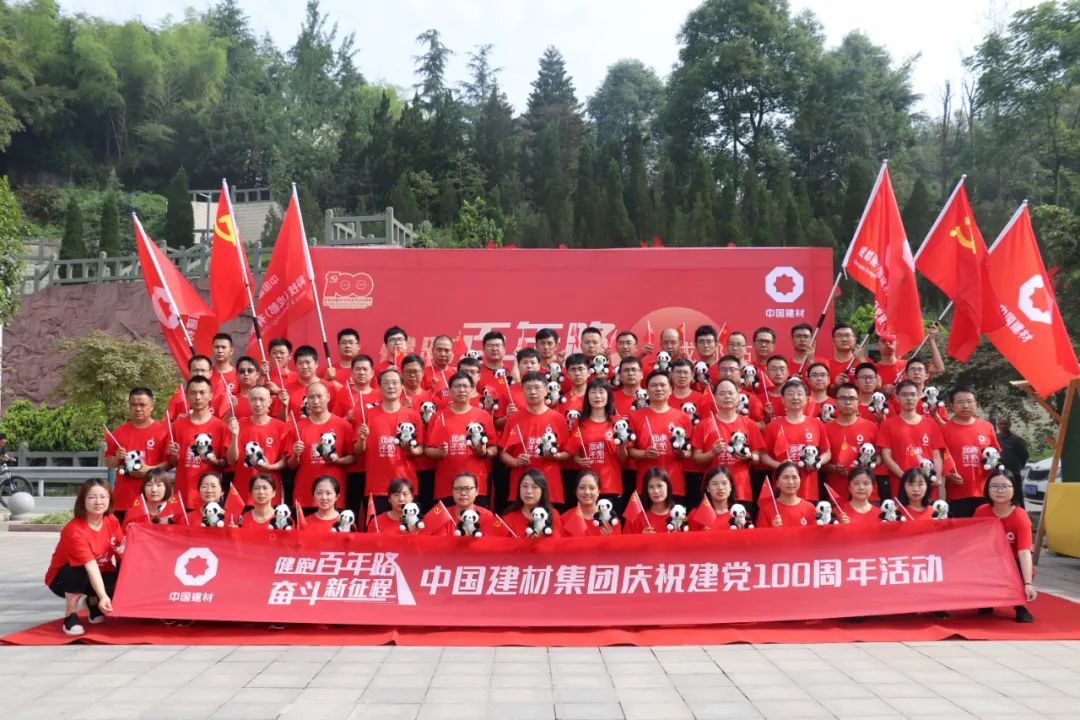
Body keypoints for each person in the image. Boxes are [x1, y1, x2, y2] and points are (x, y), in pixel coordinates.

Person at [45, 479, 123, 636]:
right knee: (80, 569)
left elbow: (120, 550)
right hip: (63, 579)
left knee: (121, 579)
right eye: (92, 497)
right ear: (82, 501)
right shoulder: (74, 530)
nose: (98, 502)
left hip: (99, 572)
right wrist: (103, 596)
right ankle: (70, 615)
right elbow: (90, 566)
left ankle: (92, 602)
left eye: (103, 497)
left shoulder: (111, 520)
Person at [499, 371, 571, 507]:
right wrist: (515, 462)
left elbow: (567, 452)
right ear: (523, 391)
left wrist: (555, 456)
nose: (532, 392)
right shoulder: (514, 419)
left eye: (537, 388)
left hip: (550, 484)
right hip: (521, 485)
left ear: (546, 390)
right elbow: (503, 453)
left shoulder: (558, 418)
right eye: (528, 388)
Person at [424, 372, 497, 505]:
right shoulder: (438, 417)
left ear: (472, 389)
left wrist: (484, 452)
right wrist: (439, 452)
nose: (462, 390)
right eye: (457, 386)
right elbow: (428, 449)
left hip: (475, 485)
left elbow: (494, 448)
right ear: (450, 391)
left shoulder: (483, 416)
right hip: (446, 485)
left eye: (465, 386)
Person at [974, 469, 1037, 622]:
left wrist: (1028, 583)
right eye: (995, 486)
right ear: (987, 489)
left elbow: (1024, 552)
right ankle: (986, 600)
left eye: (1005, 486)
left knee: (1018, 570)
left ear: (1014, 489)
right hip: (988, 562)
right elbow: (973, 544)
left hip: (1013, 564)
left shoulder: (1020, 516)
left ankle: (1020, 605)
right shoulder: (981, 512)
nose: (1000, 491)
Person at [692, 378, 764, 506]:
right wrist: (712, 453)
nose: (727, 396)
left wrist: (749, 456)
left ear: (738, 397)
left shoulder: (750, 424)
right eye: (722, 393)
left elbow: (757, 458)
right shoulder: (703, 425)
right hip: (713, 491)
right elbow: (696, 459)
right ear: (715, 398)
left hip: (741, 490)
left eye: (731, 393)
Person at [358, 368, 425, 503]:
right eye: (386, 383)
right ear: (379, 387)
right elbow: (358, 450)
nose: (391, 386)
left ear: (401, 386)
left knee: (407, 517)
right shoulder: (367, 415)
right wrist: (362, 440)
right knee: (376, 518)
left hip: (406, 487)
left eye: (395, 382)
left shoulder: (413, 415)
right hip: (377, 487)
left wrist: (411, 450)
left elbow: (421, 448)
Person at [761, 379, 832, 501]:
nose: (795, 397)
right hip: (782, 490)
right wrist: (780, 466)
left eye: (799, 394)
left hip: (809, 490)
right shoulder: (773, 426)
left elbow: (827, 452)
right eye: (790, 394)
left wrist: (817, 462)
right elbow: (763, 456)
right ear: (782, 399)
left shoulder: (816, 424)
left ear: (806, 399)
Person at [287, 382, 355, 509]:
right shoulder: (298, 428)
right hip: (305, 496)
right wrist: (295, 455)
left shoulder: (343, 425)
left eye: (319, 396)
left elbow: (353, 457)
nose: (316, 401)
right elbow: (291, 465)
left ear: (328, 397)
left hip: (332, 495)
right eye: (311, 397)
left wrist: (337, 461)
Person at [103, 387, 169, 516]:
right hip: (123, 501)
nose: (138, 409)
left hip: (152, 502)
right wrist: (117, 457)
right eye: (134, 404)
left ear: (152, 406)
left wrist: (150, 469)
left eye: (142, 405)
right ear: (129, 406)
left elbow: (170, 463)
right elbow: (108, 462)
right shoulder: (118, 432)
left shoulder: (163, 431)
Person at [168, 375, 230, 508]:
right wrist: (174, 456)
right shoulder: (177, 426)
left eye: (202, 392)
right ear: (187, 396)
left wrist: (215, 461)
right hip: (183, 496)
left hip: (210, 499)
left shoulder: (221, 427)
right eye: (193, 393)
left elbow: (227, 462)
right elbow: (172, 463)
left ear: (210, 395)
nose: (197, 397)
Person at [878, 380, 945, 499]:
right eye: (904, 395)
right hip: (900, 484)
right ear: (897, 397)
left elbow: (936, 454)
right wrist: (906, 478)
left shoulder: (930, 423)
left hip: (927, 484)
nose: (909, 398)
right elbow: (886, 456)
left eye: (913, 394)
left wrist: (937, 477)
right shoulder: (887, 424)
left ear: (918, 397)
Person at [942, 386, 1001, 518]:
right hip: (957, 494)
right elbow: (938, 458)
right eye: (960, 402)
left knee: (984, 528)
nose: (965, 406)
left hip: (985, 492)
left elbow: (996, 454)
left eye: (969, 401)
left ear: (976, 404)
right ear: (952, 405)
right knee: (961, 529)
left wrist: (994, 466)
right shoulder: (944, 430)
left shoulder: (987, 427)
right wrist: (948, 474)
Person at [226, 385, 288, 505]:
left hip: (269, 492)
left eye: (262, 399)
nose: (258, 404)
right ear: (248, 401)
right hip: (242, 492)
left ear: (270, 401)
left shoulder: (280, 427)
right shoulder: (238, 425)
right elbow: (231, 460)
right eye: (254, 399)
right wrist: (234, 436)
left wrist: (270, 467)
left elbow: (285, 460)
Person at [569, 378, 626, 506]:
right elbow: (572, 451)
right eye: (593, 392)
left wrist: (622, 444)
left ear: (608, 396)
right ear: (587, 396)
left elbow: (623, 459)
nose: (597, 396)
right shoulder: (579, 423)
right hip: (586, 489)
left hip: (611, 485)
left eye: (601, 392)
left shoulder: (618, 422)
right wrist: (577, 459)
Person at [822, 382, 880, 501]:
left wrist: (869, 464)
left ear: (858, 401)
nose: (848, 402)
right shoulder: (825, 428)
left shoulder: (870, 426)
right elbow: (820, 462)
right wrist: (834, 468)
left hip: (867, 493)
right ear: (835, 401)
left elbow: (880, 456)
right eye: (843, 398)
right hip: (837, 492)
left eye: (852, 398)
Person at [502, 469, 563, 538]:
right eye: (525, 486)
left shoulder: (552, 514)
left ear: (543, 490)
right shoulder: (508, 518)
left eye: (534, 487)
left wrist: (542, 540)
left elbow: (557, 542)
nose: (529, 491)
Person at [757, 461, 817, 528]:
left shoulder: (809, 508)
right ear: (777, 482)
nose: (790, 482)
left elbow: (814, 533)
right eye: (785, 477)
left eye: (794, 477)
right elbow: (761, 534)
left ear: (800, 480)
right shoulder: (766, 510)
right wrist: (773, 530)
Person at [562, 470, 620, 536]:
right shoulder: (565, 519)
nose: (587, 492)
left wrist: (609, 539)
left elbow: (619, 542)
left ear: (599, 491)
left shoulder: (612, 520)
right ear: (576, 491)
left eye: (592, 488)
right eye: (582, 488)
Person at [689, 466, 749, 530]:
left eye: (724, 483)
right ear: (707, 488)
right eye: (715, 484)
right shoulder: (696, 514)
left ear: (731, 487)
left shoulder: (740, 512)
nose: (720, 488)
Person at [624, 467, 677, 534]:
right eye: (651, 487)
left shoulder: (678, 514)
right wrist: (641, 538)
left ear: (668, 486)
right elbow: (626, 539)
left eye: (659, 486)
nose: (656, 491)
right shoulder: (636, 516)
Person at [213, 355, 261, 420]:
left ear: (257, 375)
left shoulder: (265, 398)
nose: (246, 373)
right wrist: (231, 410)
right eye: (242, 371)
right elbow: (222, 424)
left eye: (250, 370)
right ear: (237, 375)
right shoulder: (230, 400)